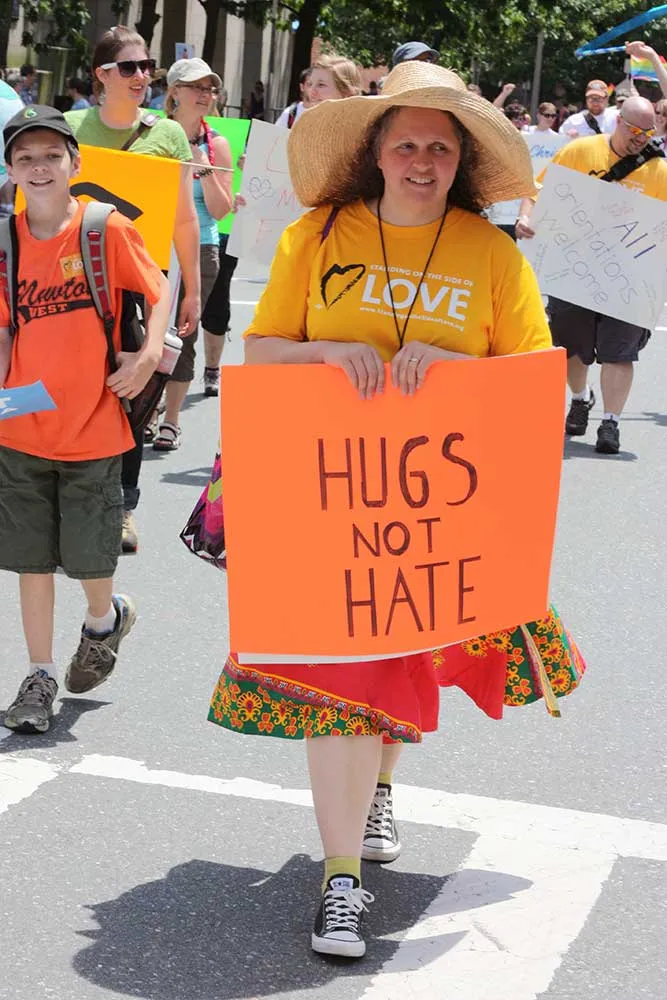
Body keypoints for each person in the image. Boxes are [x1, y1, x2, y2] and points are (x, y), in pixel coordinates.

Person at [205, 61, 582, 960]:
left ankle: (378, 787)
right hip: (323, 506)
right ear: (375, 152)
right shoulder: (317, 235)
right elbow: (261, 353)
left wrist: (455, 372)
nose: (421, 161)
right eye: (406, 143)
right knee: (340, 689)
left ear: (460, 163)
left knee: (398, 669)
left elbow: (535, 384)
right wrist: (326, 352)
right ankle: (340, 880)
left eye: (439, 148)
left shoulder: (491, 254)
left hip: (436, 519)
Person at [0, 106, 170, 734]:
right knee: (32, 560)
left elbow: (157, 292)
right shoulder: (5, 240)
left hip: (94, 425)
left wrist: (147, 356)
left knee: (91, 559)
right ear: (10, 170)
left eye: (52, 155)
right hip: (20, 428)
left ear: (75, 162)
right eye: (25, 158)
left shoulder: (104, 228)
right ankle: (39, 674)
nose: (39, 167)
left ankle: (105, 619)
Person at [65, 25, 200, 553]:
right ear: (101, 75)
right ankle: (65, 501)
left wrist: (190, 289)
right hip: (72, 280)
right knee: (71, 387)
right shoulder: (69, 128)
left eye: (147, 67)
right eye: (129, 67)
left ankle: (122, 506)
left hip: (138, 285)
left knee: (133, 393)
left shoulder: (168, 136)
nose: (142, 75)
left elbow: (183, 219)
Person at [517, 96, 667, 454]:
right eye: (634, 131)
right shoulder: (580, 151)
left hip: (629, 278)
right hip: (574, 269)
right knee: (571, 346)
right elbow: (537, 191)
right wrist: (525, 216)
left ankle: (611, 423)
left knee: (620, 352)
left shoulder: (660, 172)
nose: (641, 139)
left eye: (648, 133)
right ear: (619, 122)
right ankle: (580, 398)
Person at [153, 57, 233, 445]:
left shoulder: (216, 144)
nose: (204, 94)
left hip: (200, 246)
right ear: (174, 92)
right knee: (144, 330)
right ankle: (147, 407)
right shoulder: (151, 133)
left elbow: (221, 210)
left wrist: (203, 169)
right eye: (196, 87)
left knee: (183, 332)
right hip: (152, 244)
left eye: (209, 88)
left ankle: (171, 418)